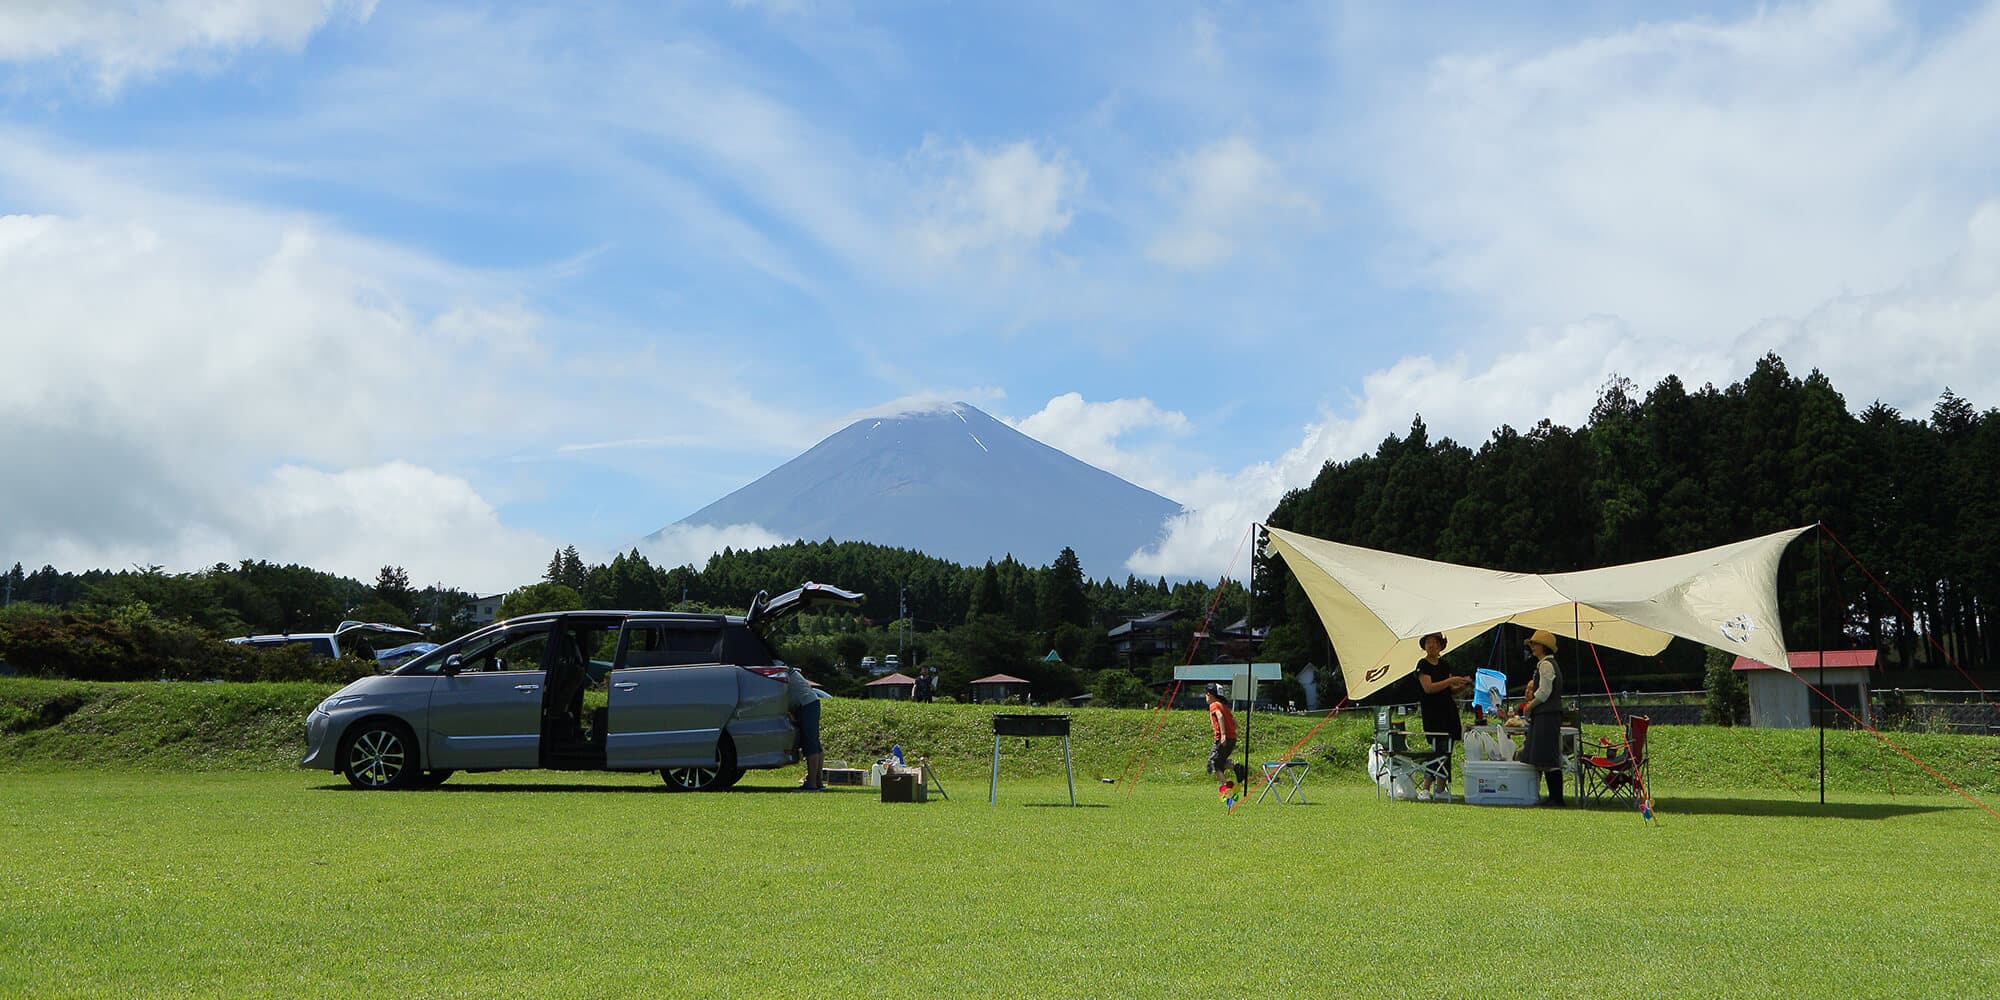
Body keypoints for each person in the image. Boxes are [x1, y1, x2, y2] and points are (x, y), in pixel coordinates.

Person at [1414, 632, 1471, 800]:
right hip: (1433, 715)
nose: (1431, 645)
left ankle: (1440, 788)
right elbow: (1429, 688)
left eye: (1434, 642)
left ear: (1440, 646)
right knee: (1437, 750)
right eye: (1428, 642)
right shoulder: (1422, 665)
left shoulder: (1444, 665)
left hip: (1448, 713)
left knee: (1447, 751)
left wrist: (1462, 685)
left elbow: (1449, 691)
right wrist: (1450, 680)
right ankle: (1425, 788)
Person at [1519, 629, 1565, 806]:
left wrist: (1530, 706)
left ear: (1543, 647)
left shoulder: (1546, 665)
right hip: (1546, 714)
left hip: (1547, 714)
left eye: (1535, 644)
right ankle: (1554, 796)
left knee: (1547, 755)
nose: (1532, 647)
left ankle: (1556, 797)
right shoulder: (1546, 664)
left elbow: (1544, 692)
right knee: (1545, 754)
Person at [787, 667, 826, 790]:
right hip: (811, 702)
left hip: (805, 705)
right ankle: (818, 781)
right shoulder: (789, 669)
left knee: (810, 744)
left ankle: (812, 783)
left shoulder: (778, 669)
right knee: (815, 743)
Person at [1204, 684, 1244, 784]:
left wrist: (1223, 735)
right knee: (1220, 761)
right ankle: (1236, 767)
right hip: (1232, 738)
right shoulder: (1224, 707)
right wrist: (1230, 731)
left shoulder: (1213, 705)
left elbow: (1220, 716)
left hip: (1222, 738)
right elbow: (1235, 722)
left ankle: (1226, 786)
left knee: (1213, 763)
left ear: (1209, 694)